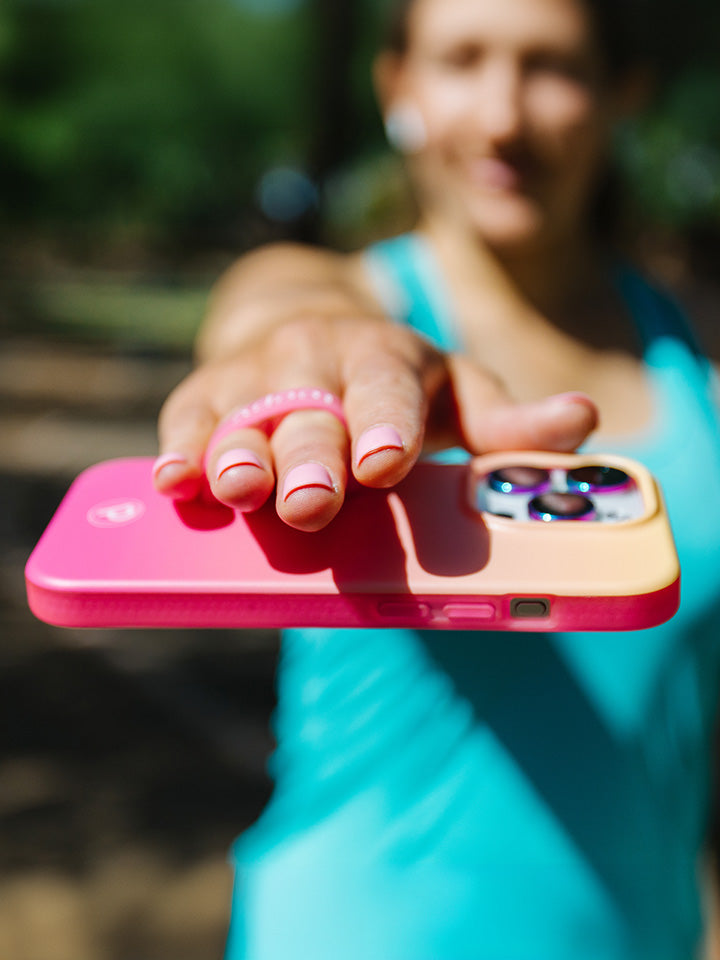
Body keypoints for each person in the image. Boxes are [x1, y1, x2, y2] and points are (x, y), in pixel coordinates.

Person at [154, 0, 720, 956]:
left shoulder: (696, 365)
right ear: (398, 86)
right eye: (462, 59)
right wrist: (305, 346)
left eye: (550, 66)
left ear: (623, 93)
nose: (503, 116)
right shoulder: (360, 301)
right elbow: (283, 300)